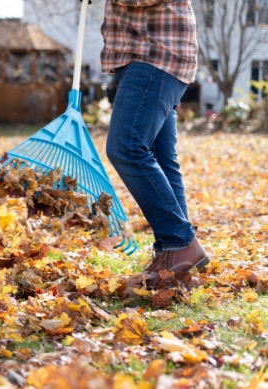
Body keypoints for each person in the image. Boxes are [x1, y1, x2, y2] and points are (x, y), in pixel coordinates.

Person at [95, 0, 209, 288]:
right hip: (144, 56)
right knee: (161, 158)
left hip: (156, 55)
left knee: (126, 147)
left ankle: (180, 241)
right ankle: (173, 255)